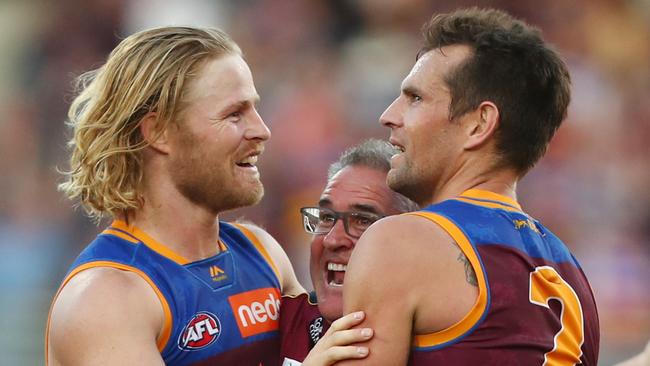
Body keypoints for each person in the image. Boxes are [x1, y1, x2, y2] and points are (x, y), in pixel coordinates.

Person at [341, 8, 600, 365]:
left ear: (480, 124)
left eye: (415, 98)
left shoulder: (399, 243)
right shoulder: (573, 274)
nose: (389, 115)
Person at [47, 26, 311, 365]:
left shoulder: (264, 254)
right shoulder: (105, 298)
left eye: (255, 109)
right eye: (234, 114)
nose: (262, 130)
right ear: (159, 132)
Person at [279, 139, 419, 365]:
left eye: (362, 220)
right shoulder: (278, 322)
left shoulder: (446, 343)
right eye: (325, 217)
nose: (332, 239)